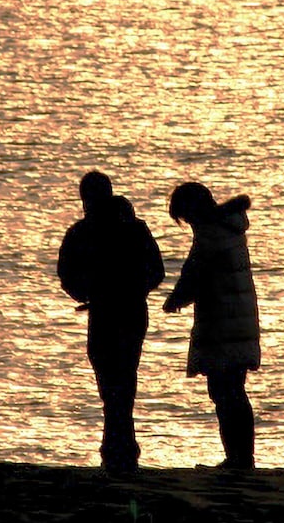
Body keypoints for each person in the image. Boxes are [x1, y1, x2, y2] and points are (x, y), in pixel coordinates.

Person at [57, 171, 164, 474]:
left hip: (105, 312)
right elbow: (156, 272)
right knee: (124, 379)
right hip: (130, 311)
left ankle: (118, 447)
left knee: (110, 382)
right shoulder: (133, 228)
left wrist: (88, 294)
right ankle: (121, 447)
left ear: (85, 199)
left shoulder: (82, 231)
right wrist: (134, 290)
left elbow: (66, 273)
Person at [162, 182, 260, 470]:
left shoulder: (210, 234)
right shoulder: (229, 228)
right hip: (239, 321)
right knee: (234, 390)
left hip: (223, 324)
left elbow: (195, 273)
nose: (188, 224)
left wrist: (175, 299)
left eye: (186, 217)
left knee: (224, 391)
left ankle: (238, 459)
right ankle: (242, 458)